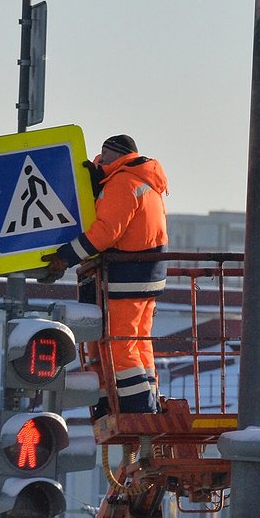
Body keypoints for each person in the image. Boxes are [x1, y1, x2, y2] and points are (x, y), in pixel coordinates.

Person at [40, 134, 168, 415]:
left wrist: (66, 256)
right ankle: (147, 402)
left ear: (116, 155)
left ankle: (132, 408)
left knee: (119, 346)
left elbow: (107, 232)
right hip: (146, 276)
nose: (100, 160)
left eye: (104, 155)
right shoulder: (143, 179)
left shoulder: (123, 183)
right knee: (137, 344)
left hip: (126, 277)